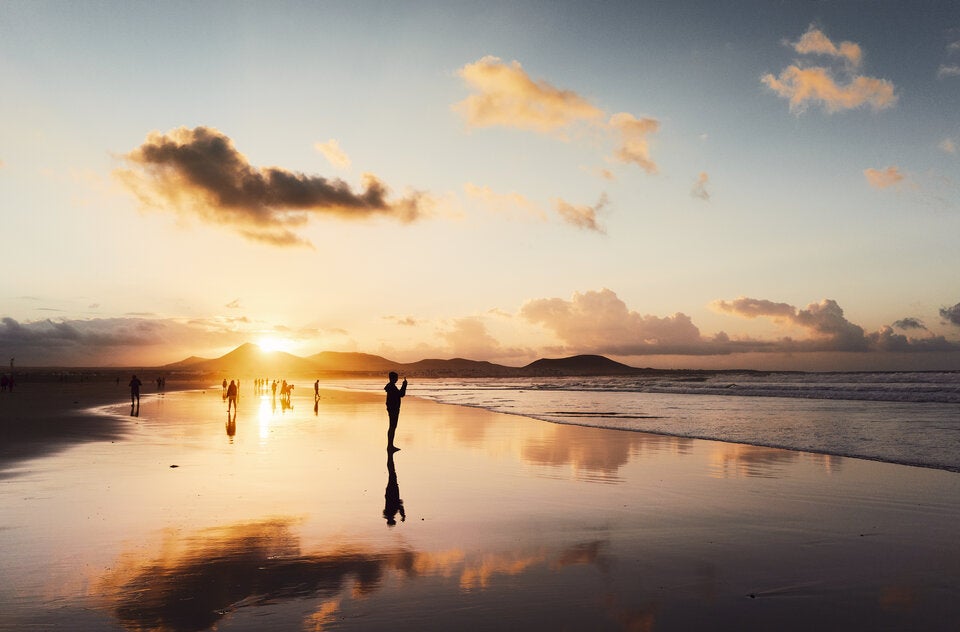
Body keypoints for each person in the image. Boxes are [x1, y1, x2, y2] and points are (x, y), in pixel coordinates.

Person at [384, 372, 407, 451]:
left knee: (392, 427)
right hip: (393, 409)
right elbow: (401, 394)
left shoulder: (390, 386)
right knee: (392, 427)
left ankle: (390, 445)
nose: (397, 379)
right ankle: (390, 446)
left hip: (392, 409)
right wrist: (404, 385)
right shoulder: (392, 387)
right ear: (393, 378)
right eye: (396, 378)